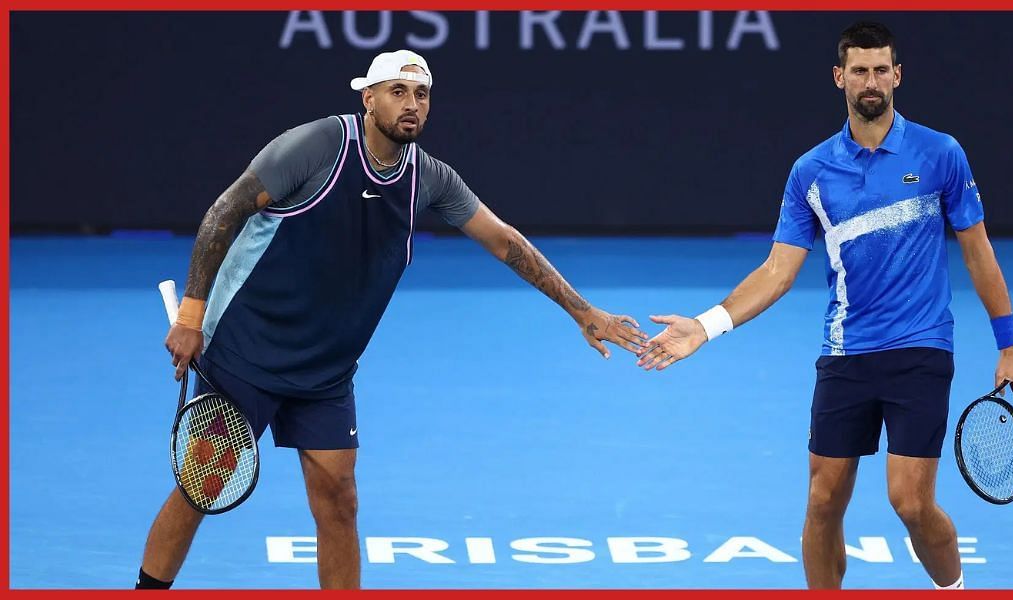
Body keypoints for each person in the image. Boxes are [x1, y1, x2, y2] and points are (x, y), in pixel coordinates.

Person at [136, 49, 648, 590]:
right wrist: (191, 316)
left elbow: (504, 242)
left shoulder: (431, 180)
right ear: (369, 98)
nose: (411, 104)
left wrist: (582, 310)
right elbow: (224, 212)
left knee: (339, 502)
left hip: (326, 372)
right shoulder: (315, 147)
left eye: (421, 95)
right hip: (247, 350)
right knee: (202, 486)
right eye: (397, 92)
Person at [635, 22, 1013, 590]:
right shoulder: (811, 172)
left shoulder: (941, 154)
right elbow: (778, 270)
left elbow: (978, 253)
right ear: (838, 78)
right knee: (823, 500)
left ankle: (954, 588)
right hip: (845, 352)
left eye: (880, 69)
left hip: (921, 348)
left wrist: (1009, 344)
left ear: (897, 75)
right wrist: (706, 325)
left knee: (910, 504)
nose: (870, 81)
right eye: (858, 70)